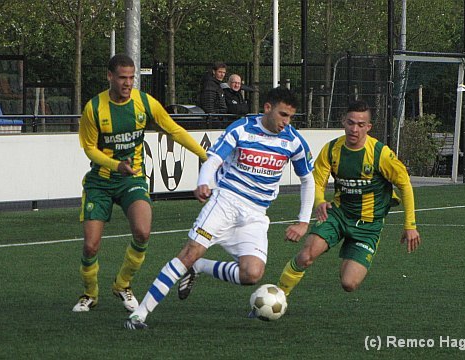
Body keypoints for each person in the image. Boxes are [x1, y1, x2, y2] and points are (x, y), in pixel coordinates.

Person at [125, 87, 315, 330]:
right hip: (225, 202)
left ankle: (200, 267)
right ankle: (139, 315)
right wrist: (204, 181)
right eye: (283, 115)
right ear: (268, 108)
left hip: (256, 214)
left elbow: (307, 179)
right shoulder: (241, 129)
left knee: (252, 274)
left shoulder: (293, 141)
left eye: (290, 117)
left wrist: (303, 221)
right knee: (189, 252)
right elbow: (214, 158)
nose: (286, 122)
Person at [73, 54, 208, 312]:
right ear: (109, 77)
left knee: (143, 232)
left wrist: (204, 155)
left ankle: (122, 284)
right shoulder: (94, 108)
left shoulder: (144, 102)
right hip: (100, 182)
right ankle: (89, 294)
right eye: (122, 78)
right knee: (90, 245)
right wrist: (115, 165)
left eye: (131, 77)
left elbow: (173, 129)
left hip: (132, 178)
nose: (128, 83)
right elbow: (89, 149)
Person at [276, 99, 421, 298]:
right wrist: (319, 202)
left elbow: (404, 184)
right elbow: (317, 183)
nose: (355, 129)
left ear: (368, 127)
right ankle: (278, 295)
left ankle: (352, 251)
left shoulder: (381, 154)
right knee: (306, 256)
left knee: (349, 283)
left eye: (361, 125)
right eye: (351, 123)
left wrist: (410, 225)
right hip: (338, 215)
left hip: (368, 225)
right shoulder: (331, 150)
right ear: (343, 122)